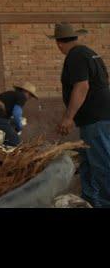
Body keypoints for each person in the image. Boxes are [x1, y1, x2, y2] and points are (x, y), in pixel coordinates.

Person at [50, 22, 110, 207]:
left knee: (100, 163)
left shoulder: (75, 56)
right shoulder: (90, 53)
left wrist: (68, 118)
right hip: (98, 116)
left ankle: (105, 202)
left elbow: (82, 86)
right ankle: (91, 200)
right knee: (89, 162)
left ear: (59, 43)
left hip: (95, 119)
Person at [0, 82, 38, 147]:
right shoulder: (22, 96)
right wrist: (19, 126)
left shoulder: (11, 94)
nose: (30, 98)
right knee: (15, 141)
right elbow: (16, 113)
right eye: (31, 95)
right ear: (26, 92)